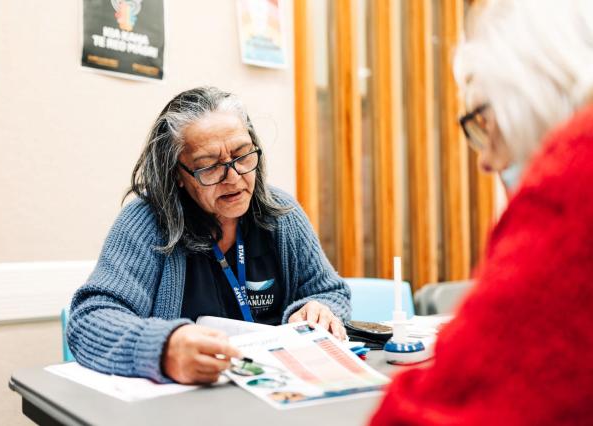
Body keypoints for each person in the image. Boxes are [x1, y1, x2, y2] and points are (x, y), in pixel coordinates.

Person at [370, 0, 593, 424]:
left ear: (528, 95)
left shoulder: (571, 185)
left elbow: (432, 413)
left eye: (481, 122)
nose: (484, 161)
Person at [67, 87, 350, 385]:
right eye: (210, 166)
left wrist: (321, 310)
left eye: (242, 156)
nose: (234, 177)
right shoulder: (146, 220)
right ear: (177, 173)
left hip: (275, 390)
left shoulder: (281, 213)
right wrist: (163, 348)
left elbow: (330, 292)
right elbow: (89, 320)